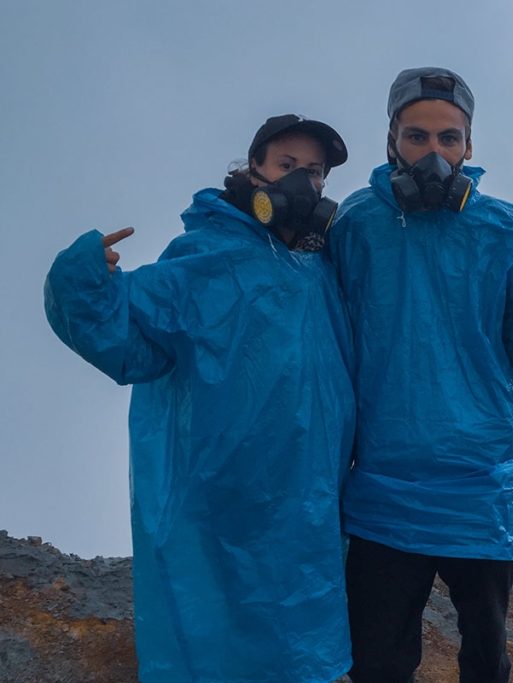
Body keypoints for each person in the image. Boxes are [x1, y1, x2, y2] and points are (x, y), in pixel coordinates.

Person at [44, 115, 357, 683]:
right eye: (286, 166)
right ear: (254, 170)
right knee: (216, 636)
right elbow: (128, 339)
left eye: (313, 173)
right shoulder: (206, 255)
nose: (301, 183)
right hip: (219, 493)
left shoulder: (320, 268)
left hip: (305, 495)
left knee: (298, 634)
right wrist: (83, 281)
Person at [330, 67, 513, 683]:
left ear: (469, 146)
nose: (434, 152)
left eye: (449, 138)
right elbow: (327, 338)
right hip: (386, 478)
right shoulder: (357, 224)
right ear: (392, 139)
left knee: (484, 653)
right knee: (380, 658)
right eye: (418, 137)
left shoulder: (501, 226)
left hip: (482, 477)